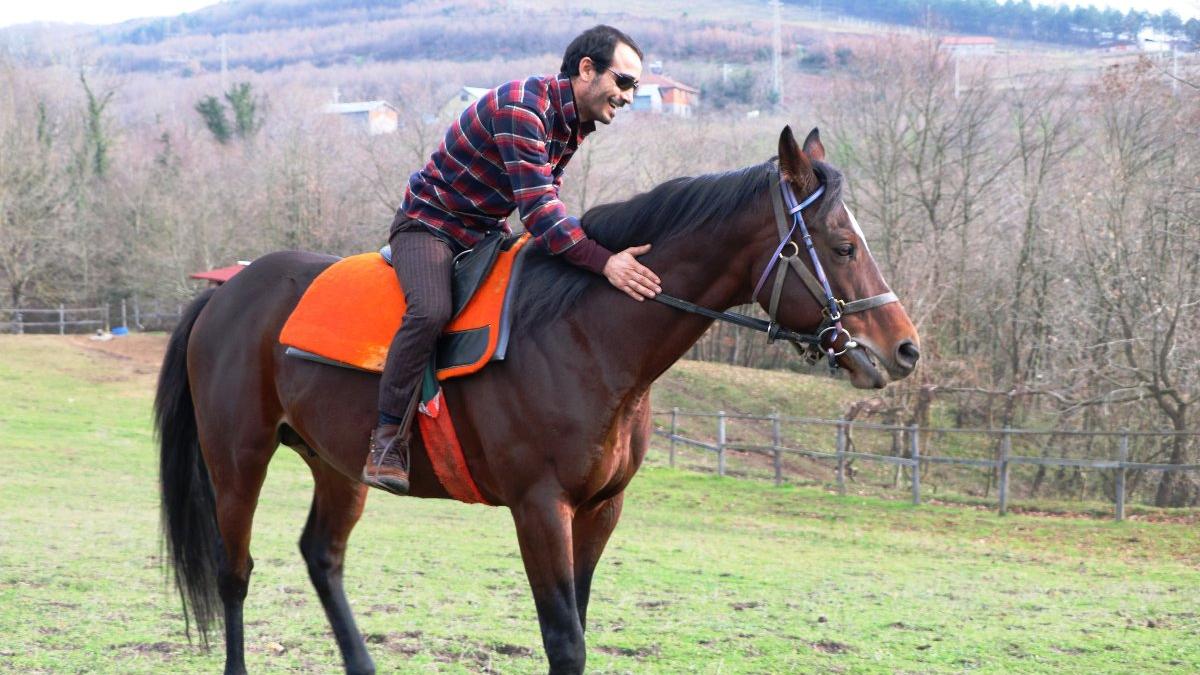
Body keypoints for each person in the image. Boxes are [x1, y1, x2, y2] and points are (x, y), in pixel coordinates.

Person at [363, 25, 662, 495]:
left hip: (485, 233)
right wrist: (606, 263)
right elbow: (541, 211)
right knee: (430, 311)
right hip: (431, 226)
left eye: (635, 88)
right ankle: (385, 441)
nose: (628, 97)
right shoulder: (523, 107)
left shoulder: (572, 123)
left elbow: (549, 195)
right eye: (623, 82)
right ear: (587, 69)